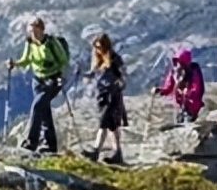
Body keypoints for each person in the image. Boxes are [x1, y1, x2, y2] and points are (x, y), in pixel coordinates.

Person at [7, 17, 69, 153]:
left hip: (53, 80)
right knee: (44, 111)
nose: (34, 34)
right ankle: (50, 145)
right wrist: (15, 64)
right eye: (31, 31)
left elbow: (63, 60)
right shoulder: (30, 43)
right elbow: (26, 60)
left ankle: (32, 142)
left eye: (36, 31)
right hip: (37, 81)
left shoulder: (51, 43)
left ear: (42, 29)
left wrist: (59, 74)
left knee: (37, 106)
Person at [81, 33, 127, 164]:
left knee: (104, 123)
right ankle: (117, 153)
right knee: (111, 125)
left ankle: (96, 151)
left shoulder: (114, 59)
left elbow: (123, 75)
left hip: (113, 95)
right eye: (95, 47)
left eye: (100, 47)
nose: (97, 50)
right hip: (102, 95)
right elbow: (94, 74)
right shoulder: (99, 60)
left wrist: (120, 84)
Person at [154, 48, 205, 124]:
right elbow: (169, 87)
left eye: (180, 62)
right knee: (180, 121)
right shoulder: (174, 72)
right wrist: (161, 90)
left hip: (192, 105)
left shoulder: (194, 72)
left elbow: (196, 88)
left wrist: (187, 93)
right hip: (180, 104)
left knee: (188, 121)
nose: (178, 64)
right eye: (177, 62)